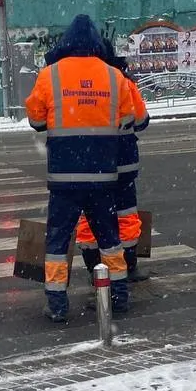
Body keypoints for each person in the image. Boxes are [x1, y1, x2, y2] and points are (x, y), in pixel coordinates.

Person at [25, 14, 136, 323]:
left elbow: (36, 121)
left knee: (58, 242)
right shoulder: (115, 76)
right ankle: (119, 296)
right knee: (109, 240)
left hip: (64, 179)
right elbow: (128, 121)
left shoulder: (50, 75)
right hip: (103, 177)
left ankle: (58, 304)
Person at [75, 55, 150, 283]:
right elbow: (141, 120)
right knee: (126, 216)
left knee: (90, 217)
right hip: (123, 164)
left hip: (89, 165)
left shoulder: (78, 85)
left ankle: (95, 269)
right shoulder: (123, 82)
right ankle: (127, 267)